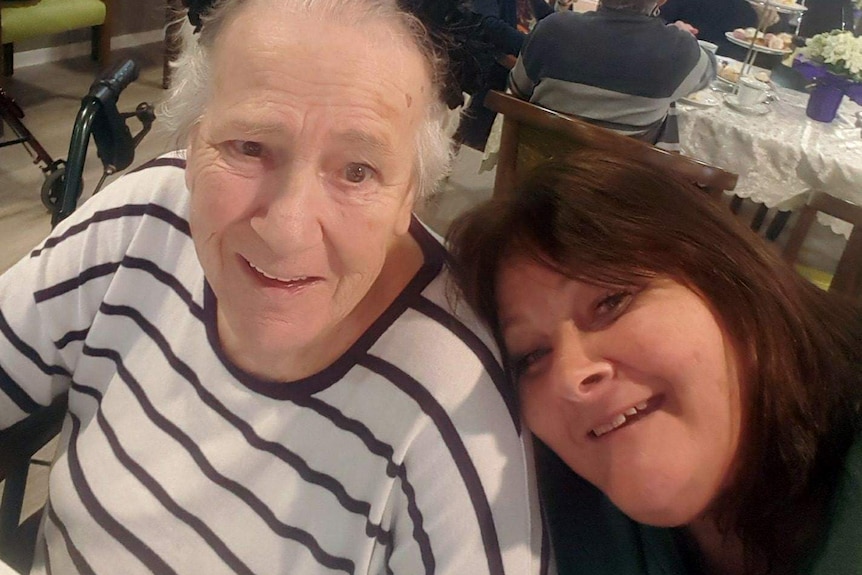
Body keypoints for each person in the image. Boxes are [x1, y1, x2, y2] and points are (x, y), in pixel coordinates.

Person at [0, 1, 550, 573]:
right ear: (192, 140)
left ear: (410, 194)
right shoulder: (146, 216)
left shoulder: (456, 409)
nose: (286, 232)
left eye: (357, 171)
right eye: (250, 147)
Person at [447, 149, 862, 574]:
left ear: (732, 284)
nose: (570, 377)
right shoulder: (545, 503)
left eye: (612, 301)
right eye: (532, 355)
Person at [508, 0, 716, 151]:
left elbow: (517, 90)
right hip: (614, 194)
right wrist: (678, 34)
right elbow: (710, 72)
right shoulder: (681, 50)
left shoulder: (551, 28)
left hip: (536, 178)